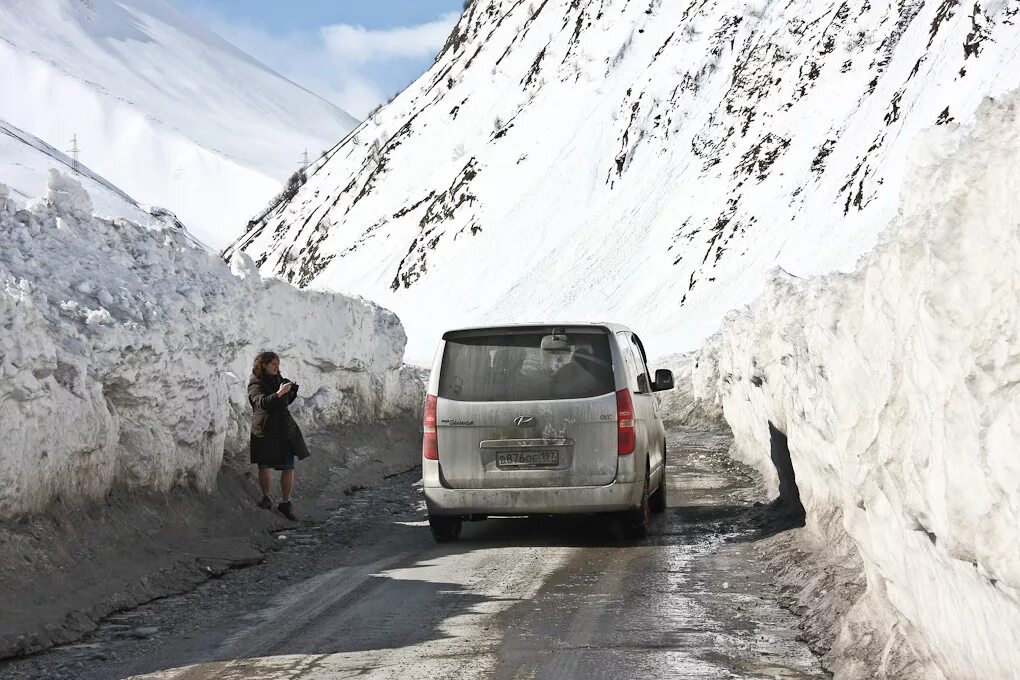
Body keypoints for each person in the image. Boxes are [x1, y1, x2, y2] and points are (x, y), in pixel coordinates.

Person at [248, 351, 310, 521]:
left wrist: (290, 393)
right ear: (263, 365)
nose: (277, 367)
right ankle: (266, 498)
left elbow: (283, 402)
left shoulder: (278, 379)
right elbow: (261, 403)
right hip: (265, 430)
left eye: (278, 364)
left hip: (283, 429)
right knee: (264, 465)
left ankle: (285, 502)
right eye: (274, 364)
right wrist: (280, 393)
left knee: (288, 466)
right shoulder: (255, 384)